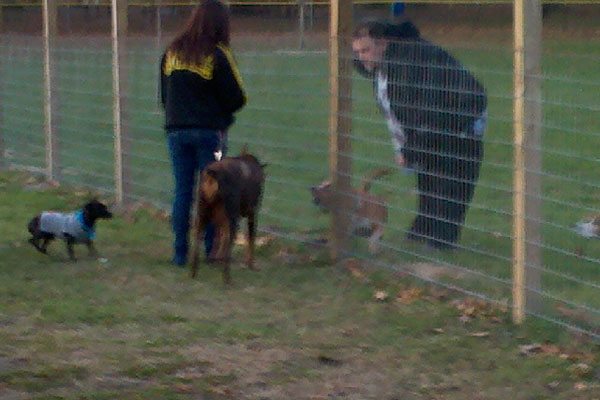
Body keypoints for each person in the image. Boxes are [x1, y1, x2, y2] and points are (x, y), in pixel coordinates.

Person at [352, 20, 487, 250]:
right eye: (357, 52)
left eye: (366, 50)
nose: (361, 58)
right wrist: (409, 148)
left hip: (462, 120)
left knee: (452, 178)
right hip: (434, 122)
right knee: (427, 171)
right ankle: (423, 228)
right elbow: (402, 115)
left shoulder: (409, 65)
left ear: (383, 44)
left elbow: (429, 113)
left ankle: (442, 240)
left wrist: (410, 149)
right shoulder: (387, 66)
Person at [160, 0, 246, 266]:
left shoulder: (171, 52)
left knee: (183, 191)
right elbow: (237, 97)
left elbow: (164, 95)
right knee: (212, 192)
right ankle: (211, 250)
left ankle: (179, 253)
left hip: (176, 132)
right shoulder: (217, 54)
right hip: (210, 134)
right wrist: (221, 114)